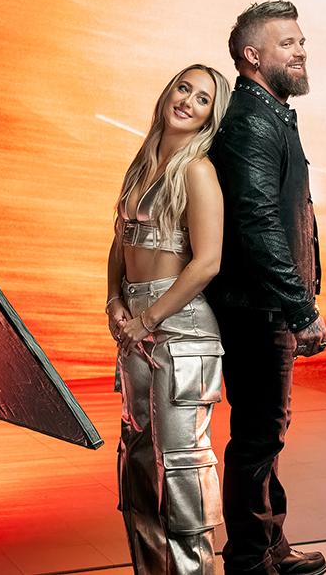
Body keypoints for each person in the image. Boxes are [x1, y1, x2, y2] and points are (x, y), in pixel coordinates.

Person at [206, 0, 326, 575]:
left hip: (265, 304)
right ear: (253, 57)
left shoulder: (270, 113)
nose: (301, 50)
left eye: (301, 41)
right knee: (259, 435)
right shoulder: (254, 121)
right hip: (259, 308)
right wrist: (301, 308)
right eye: (288, 44)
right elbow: (256, 220)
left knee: (265, 432)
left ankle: (271, 547)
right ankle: (251, 559)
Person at [106, 64, 232, 575]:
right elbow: (120, 241)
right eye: (184, 88)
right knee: (137, 467)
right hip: (135, 322)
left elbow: (207, 262)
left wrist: (149, 317)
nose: (188, 101)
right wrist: (114, 300)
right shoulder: (142, 162)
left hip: (181, 331)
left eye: (203, 99)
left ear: (210, 117)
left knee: (180, 473)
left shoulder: (198, 169)